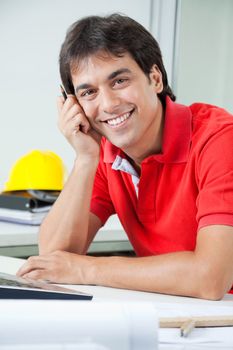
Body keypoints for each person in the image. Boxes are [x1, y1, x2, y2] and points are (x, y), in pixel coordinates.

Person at [17, 13, 233, 300]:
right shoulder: (105, 154)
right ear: (74, 105)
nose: (108, 104)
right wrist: (84, 158)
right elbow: (55, 258)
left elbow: (211, 277)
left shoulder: (219, 139)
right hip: (178, 316)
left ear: (154, 78)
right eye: (89, 92)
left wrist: (88, 270)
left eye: (119, 81)